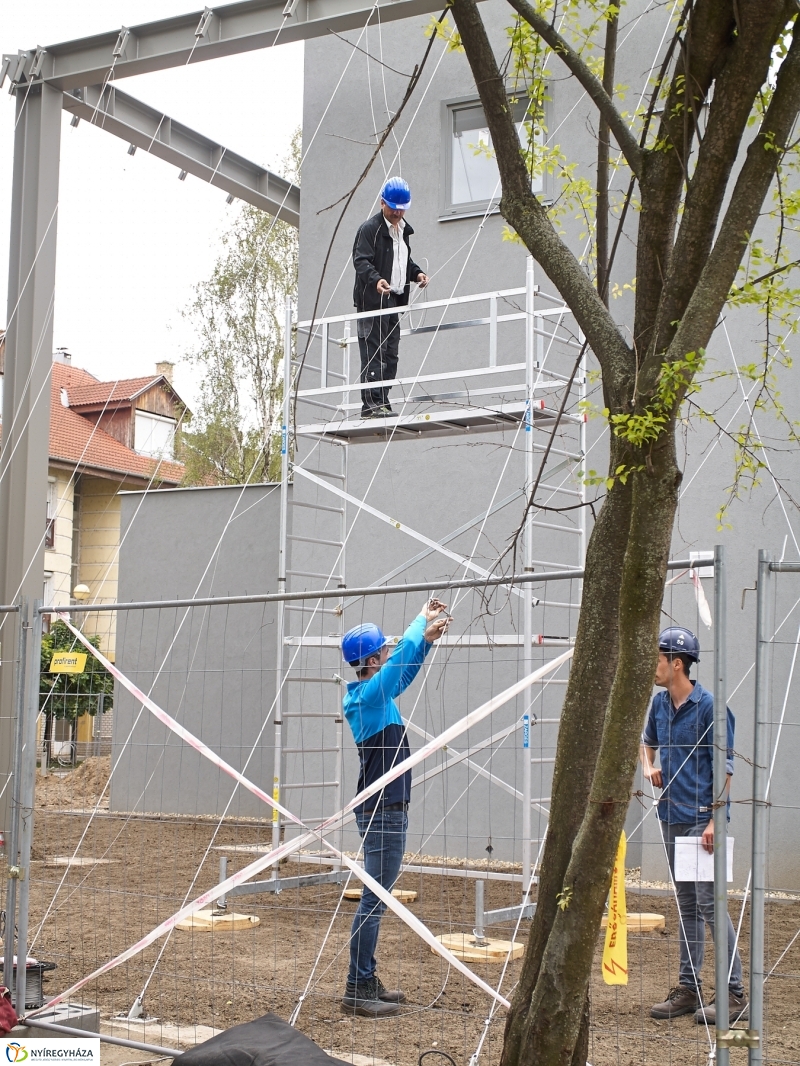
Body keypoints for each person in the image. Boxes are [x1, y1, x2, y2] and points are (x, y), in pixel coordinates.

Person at [339, 599, 450, 1017]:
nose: (389, 653)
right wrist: (420, 623)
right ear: (370, 661)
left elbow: (401, 671)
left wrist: (423, 643)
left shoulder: (375, 694)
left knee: (377, 898)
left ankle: (365, 977)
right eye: (382, 651)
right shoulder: (365, 698)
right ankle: (357, 986)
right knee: (374, 899)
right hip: (382, 810)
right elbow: (394, 671)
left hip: (387, 808)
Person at [640, 626, 747, 1025]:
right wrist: (649, 765)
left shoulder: (710, 709)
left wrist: (715, 821)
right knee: (687, 906)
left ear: (677, 663)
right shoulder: (659, 704)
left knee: (710, 905)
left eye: (658, 660)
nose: (654, 667)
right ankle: (690, 988)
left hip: (701, 823)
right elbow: (646, 742)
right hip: (671, 817)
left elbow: (725, 768)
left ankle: (734, 993)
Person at [352, 176, 429, 419]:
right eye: (394, 209)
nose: (397, 214)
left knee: (390, 353)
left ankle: (383, 401)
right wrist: (376, 281)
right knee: (374, 350)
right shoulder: (369, 230)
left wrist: (416, 273)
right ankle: (371, 404)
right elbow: (361, 261)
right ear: (382, 203)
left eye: (402, 209)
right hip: (373, 302)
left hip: (393, 301)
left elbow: (402, 261)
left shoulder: (403, 231)